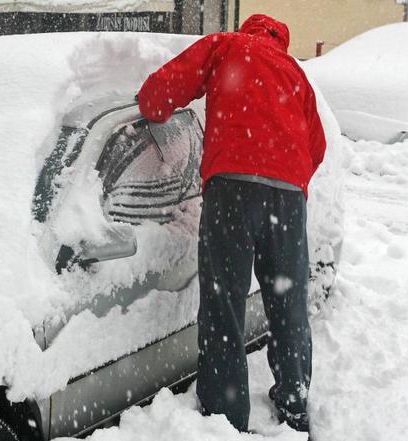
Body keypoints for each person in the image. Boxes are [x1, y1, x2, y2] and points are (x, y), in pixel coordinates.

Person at [136, 14, 326, 434]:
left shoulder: (227, 46)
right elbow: (317, 147)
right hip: (287, 198)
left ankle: (225, 416)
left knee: (224, 302)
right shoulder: (294, 71)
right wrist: (284, 179)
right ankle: (294, 401)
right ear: (281, 39)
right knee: (289, 303)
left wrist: (152, 106)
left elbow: (163, 89)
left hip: (232, 188)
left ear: (248, 30)